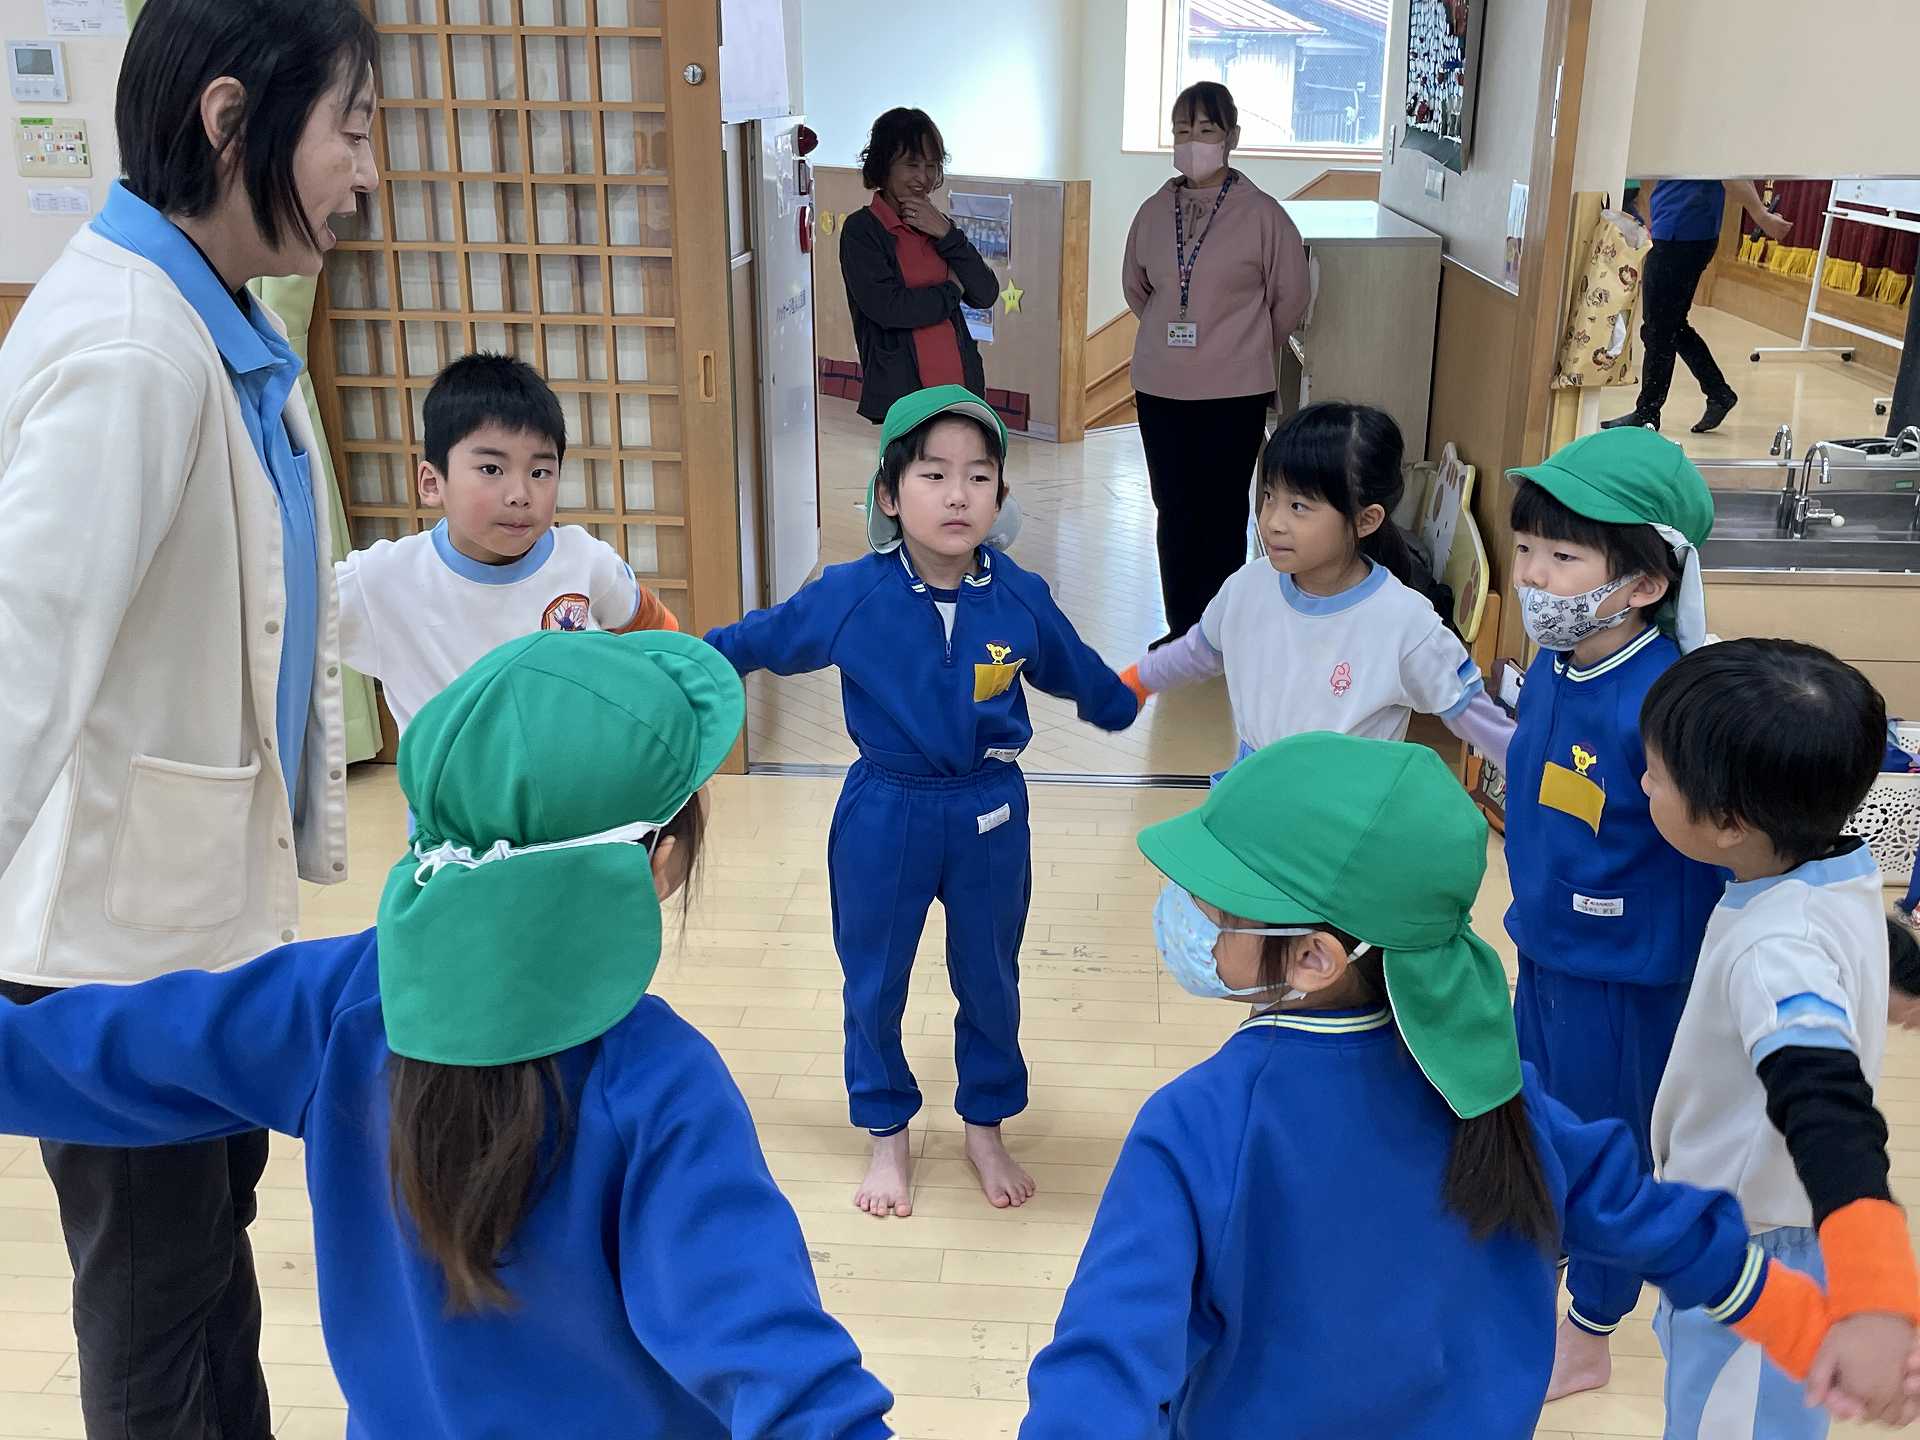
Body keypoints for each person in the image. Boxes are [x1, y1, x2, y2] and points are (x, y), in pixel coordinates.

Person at [0, 629, 898, 1438]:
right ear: (658, 863)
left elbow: (65, 1058)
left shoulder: (335, 1002)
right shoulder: (660, 1083)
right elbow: (780, 1369)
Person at [1018, 732, 1865, 1438]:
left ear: (1314, 956)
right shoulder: (1496, 1092)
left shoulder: (1198, 1124)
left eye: (1216, 906)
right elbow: (1651, 1221)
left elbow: (1106, 1360)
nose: (1188, 913)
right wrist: (1804, 1323)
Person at [0, 2, 377, 1433]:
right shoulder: (133, 352)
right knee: (155, 1309)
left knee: (209, 1268)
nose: (365, 174)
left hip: (185, 933)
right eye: (350, 129)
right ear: (231, 122)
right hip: (112, 961)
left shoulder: (212, 323)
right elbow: (17, 666)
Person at [703, 386, 1139, 1217]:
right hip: (885, 809)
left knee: (991, 976)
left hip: (990, 812)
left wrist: (1121, 700)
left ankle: (986, 1125)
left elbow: (1075, 666)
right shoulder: (850, 594)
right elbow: (758, 638)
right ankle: (886, 1132)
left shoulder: (1019, 595)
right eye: (934, 475)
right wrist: (680, 668)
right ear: (889, 494)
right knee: (873, 979)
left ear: (1001, 497)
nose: (957, 494)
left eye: (979, 477)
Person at [1499, 426, 1726, 1400]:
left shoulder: (1668, 703)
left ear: (1643, 583)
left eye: (1562, 556)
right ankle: (1540, 1254)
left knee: (1610, 1143)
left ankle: (1593, 1326)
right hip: (1549, 947)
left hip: (1626, 975)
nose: (1532, 575)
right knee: (1536, 1111)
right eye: (1527, 548)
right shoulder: (1560, 658)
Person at [1643, 638, 1920, 1433]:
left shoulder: (1777, 950)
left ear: (1730, 823)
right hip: (1744, 1227)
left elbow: (1823, 1099)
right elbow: (1862, 924)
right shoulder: (1833, 862)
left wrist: (1876, 1294)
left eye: (1657, 774)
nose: (1644, 783)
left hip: (1765, 1255)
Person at [1120, 402, 1515, 776]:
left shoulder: (1406, 623)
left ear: (1365, 520)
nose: (1273, 522)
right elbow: (1199, 652)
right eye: (1270, 496)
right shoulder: (1247, 588)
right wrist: (1136, 683)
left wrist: (1535, 779)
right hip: (1253, 796)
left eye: (1299, 507)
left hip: (1347, 810)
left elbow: (1473, 715)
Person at [335, 353, 679, 743]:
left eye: (540, 472)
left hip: (577, 779)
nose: (520, 494)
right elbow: (286, 628)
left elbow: (657, 634)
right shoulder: (379, 579)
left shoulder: (584, 559)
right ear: (432, 483)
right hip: (450, 784)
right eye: (491, 469)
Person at [1122, 80, 1310, 648]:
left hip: (1234, 390)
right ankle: (1182, 629)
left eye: (1206, 130)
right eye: (1182, 131)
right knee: (1173, 508)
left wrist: (1241, 344)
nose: (1193, 141)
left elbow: (1290, 297)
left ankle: (1221, 632)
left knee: (1223, 511)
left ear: (1231, 136)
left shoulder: (1263, 215)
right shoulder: (1153, 212)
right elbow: (1137, 289)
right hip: (1161, 386)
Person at [838, 108, 1000, 424]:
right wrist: (951, 290)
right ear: (884, 165)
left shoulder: (939, 227)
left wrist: (948, 234)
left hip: (961, 393)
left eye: (932, 166)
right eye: (912, 165)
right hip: (903, 399)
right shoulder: (862, 231)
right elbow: (890, 309)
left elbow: (985, 293)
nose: (923, 178)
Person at [1603, 179, 1791, 434]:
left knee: (1658, 328)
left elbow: (1732, 174)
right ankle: (1718, 393)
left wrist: (1761, 215)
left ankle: (1648, 413)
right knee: (1672, 325)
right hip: (1679, 230)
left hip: (1682, 233)